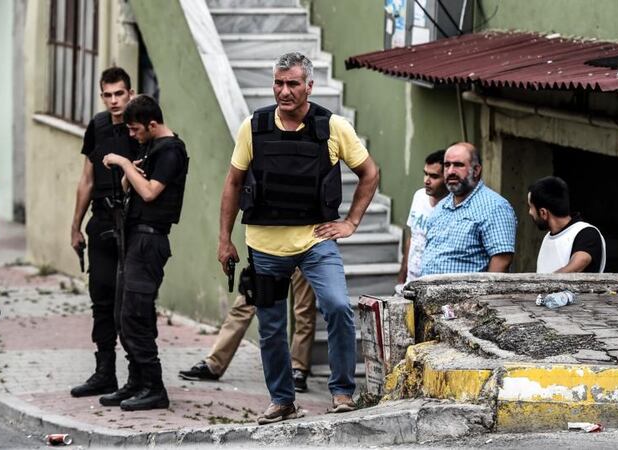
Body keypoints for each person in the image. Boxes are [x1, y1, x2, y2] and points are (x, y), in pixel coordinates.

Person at [217, 51, 380, 424]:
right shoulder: (253, 126)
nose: (284, 91)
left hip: (315, 243)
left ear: (310, 85)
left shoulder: (333, 127)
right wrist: (224, 239)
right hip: (264, 246)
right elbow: (233, 183)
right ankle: (282, 400)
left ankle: (341, 392)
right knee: (271, 325)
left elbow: (370, 173)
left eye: (292, 83)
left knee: (338, 307)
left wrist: (351, 222)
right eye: (278, 82)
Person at [102, 94, 189, 411]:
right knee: (122, 316)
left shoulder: (171, 150)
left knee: (136, 315)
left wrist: (125, 163)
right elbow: (131, 188)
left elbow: (151, 193)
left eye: (136, 129)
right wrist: (129, 171)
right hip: (133, 238)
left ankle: (154, 387)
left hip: (150, 241)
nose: (132, 135)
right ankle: (136, 382)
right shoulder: (151, 148)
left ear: (153, 124)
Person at [69, 67, 139, 400]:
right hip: (99, 219)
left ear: (130, 93)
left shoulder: (139, 124)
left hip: (130, 222)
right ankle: (104, 372)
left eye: (119, 94)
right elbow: (86, 179)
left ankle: (138, 376)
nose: (114, 101)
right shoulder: (97, 126)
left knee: (129, 302)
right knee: (100, 298)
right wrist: (75, 226)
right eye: (108, 94)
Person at [179, 269, 316, 393]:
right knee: (245, 300)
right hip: (271, 248)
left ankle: (299, 367)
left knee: (304, 310)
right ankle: (214, 364)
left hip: (306, 246)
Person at [421, 142, 516, 275]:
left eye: (458, 165)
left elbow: (502, 261)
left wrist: (484, 296)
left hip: (468, 295)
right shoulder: (442, 206)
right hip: (427, 292)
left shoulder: (495, 206)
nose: (450, 171)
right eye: (447, 165)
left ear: (476, 170)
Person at [528, 176, 606, 273]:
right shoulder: (548, 238)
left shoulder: (586, 233)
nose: (530, 212)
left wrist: (543, 284)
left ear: (543, 213)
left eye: (531, 207)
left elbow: (576, 266)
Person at [396, 149, 448, 287]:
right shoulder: (419, 196)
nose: (426, 180)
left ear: (447, 178)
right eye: (425, 174)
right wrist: (402, 275)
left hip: (433, 284)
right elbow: (413, 237)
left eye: (434, 176)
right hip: (411, 280)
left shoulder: (452, 207)